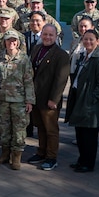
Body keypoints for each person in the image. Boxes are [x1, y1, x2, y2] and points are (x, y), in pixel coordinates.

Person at [64, 29, 99, 173]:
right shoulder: (84, 55)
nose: (88, 42)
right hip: (79, 97)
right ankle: (81, 159)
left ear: (97, 41)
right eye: (85, 39)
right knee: (80, 133)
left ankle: (88, 163)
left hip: (90, 103)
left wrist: (91, 99)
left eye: (91, 39)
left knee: (89, 136)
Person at [0, 30, 35, 170]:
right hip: (2, 100)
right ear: (5, 42)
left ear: (18, 42)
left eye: (14, 40)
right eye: (9, 40)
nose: (12, 43)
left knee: (19, 129)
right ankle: (4, 154)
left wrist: (29, 101)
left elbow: (28, 81)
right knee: (4, 128)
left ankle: (16, 156)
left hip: (19, 100)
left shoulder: (23, 59)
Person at [27, 25, 70, 171]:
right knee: (40, 127)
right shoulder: (36, 49)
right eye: (45, 34)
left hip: (49, 100)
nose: (47, 37)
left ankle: (51, 157)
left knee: (51, 129)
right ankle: (41, 152)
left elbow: (61, 80)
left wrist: (54, 99)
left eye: (50, 35)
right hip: (36, 97)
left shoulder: (61, 55)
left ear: (56, 36)